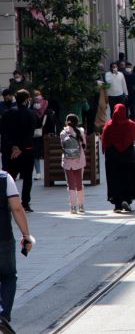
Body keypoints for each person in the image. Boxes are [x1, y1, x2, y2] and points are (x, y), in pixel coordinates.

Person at [0, 169, 34, 325]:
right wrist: (26, 235)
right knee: (8, 276)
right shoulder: (5, 178)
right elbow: (17, 208)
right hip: (3, 237)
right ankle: (3, 314)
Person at [101, 103, 135, 212]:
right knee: (128, 178)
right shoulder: (131, 125)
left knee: (114, 179)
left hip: (112, 158)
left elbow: (104, 140)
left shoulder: (108, 125)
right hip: (128, 157)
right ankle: (127, 200)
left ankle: (117, 204)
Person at [0, 90, 37, 213]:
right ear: (27, 100)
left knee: (9, 177)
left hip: (9, 151)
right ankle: (25, 203)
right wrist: (20, 147)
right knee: (27, 178)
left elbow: (3, 132)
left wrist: (13, 146)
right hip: (26, 151)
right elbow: (30, 133)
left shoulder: (7, 113)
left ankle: (6, 202)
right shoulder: (30, 114)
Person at [60, 114, 87, 214]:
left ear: (67, 122)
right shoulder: (81, 131)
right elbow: (84, 146)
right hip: (79, 161)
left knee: (70, 185)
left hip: (67, 161)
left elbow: (62, 146)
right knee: (79, 184)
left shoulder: (63, 133)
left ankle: (73, 207)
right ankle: (81, 205)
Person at [31, 92, 57, 181]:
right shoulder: (32, 112)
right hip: (37, 137)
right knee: (36, 155)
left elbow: (52, 125)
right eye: (36, 102)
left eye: (39, 101)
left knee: (46, 155)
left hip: (46, 137)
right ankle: (38, 173)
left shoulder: (48, 112)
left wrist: (51, 134)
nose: (37, 104)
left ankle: (49, 172)